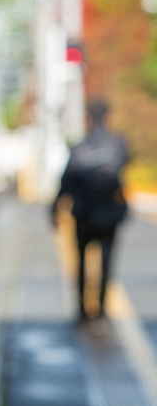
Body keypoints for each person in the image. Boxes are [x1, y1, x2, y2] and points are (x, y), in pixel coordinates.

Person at [52, 98, 130, 320]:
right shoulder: (118, 144)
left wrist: (55, 210)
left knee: (80, 261)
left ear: (88, 118)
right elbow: (123, 169)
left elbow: (65, 181)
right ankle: (102, 308)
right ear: (107, 117)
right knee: (107, 261)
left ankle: (81, 309)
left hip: (83, 213)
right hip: (109, 214)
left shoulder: (78, 147)